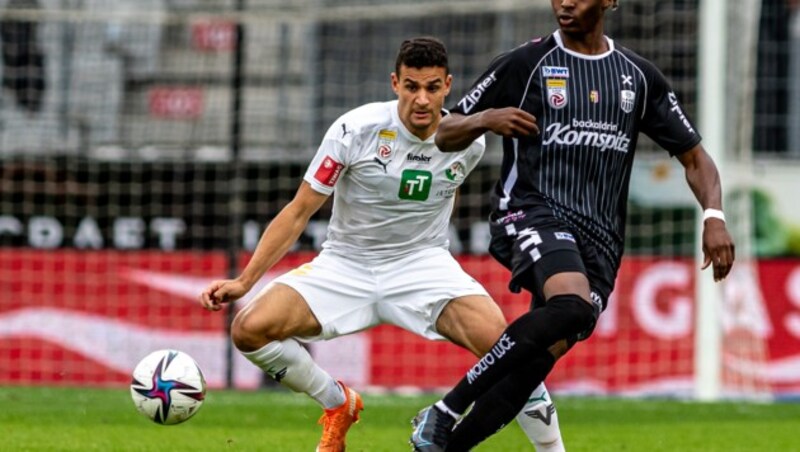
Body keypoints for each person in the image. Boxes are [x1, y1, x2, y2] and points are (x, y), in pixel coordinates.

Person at [198, 37, 565, 452]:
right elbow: (299, 210)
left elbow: (447, 190)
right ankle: (338, 404)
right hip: (345, 264)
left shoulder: (470, 142)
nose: (421, 99)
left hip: (423, 266)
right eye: (411, 86)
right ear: (395, 83)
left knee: (512, 351)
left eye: (431, 87)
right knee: (248, 330)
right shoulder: (354, 129)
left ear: (448, 85)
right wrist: (245, 282)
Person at [410, 1, 736, 451]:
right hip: (530, 211)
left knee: (532, 366)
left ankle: (442, 443)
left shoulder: (636, 77)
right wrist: (487, 119)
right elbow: (444, 132)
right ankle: (444, 409)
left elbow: (695, 157)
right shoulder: (526, 63)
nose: (564, 2)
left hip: (601, 242)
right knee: (572, 307)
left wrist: (714, 216)